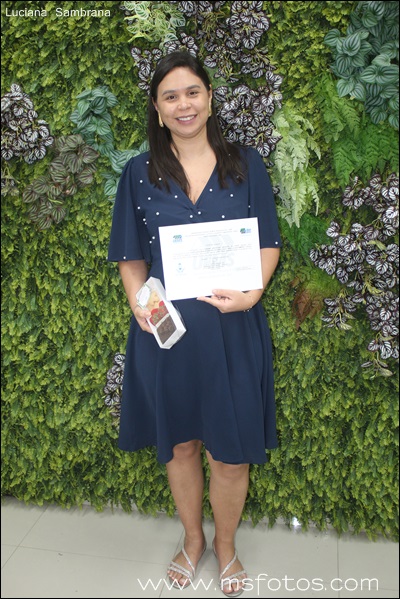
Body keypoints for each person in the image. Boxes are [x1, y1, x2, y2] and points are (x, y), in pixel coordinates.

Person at [108, 50, 281, 596]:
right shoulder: (138, 174)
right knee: (181, 446)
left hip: (233, 332)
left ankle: (226, 545)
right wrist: (139, 304)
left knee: (230, 453)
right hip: (169, 337)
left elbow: (268, 242)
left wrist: (251, 295)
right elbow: (130, 256)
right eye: (171, 96)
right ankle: (192, 539)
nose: (183, 104)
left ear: (208, 98)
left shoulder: (246, 164)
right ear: (157, 109)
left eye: (192, 92)